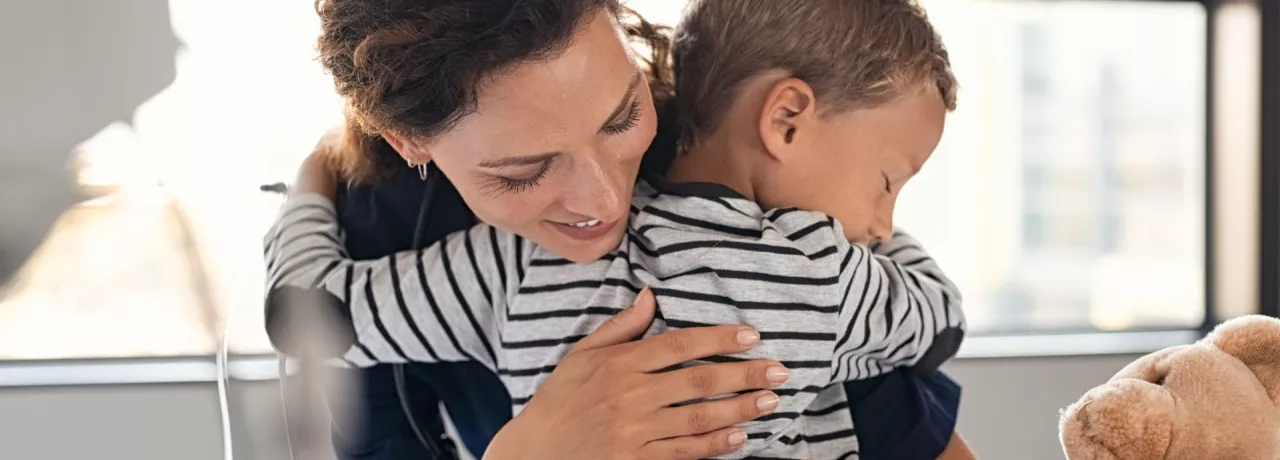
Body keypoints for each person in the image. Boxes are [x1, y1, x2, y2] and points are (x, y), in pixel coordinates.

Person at [271, 0, 975, 458]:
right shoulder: (385, 226)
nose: (606, 199)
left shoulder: (758, 180)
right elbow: (314, 318)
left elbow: (916, 410)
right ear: (408, 142)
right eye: (523, 171)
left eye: (621, 119)